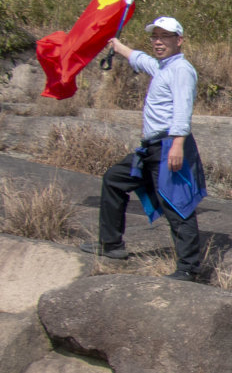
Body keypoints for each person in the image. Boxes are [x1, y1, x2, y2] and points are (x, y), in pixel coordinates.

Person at [82, 16, 205, 279]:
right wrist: (117, 46)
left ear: (179, 40)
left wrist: (178, 145)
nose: (159, 42)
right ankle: (111, 245)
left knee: (177, 204)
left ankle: (189, 269)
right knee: (115, 179)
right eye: (155, 37)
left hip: (169, 145)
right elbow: (140, 59)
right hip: (150, 148)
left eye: (165, 37)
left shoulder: (181, 70)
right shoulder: (162, 67)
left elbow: (183, 110)